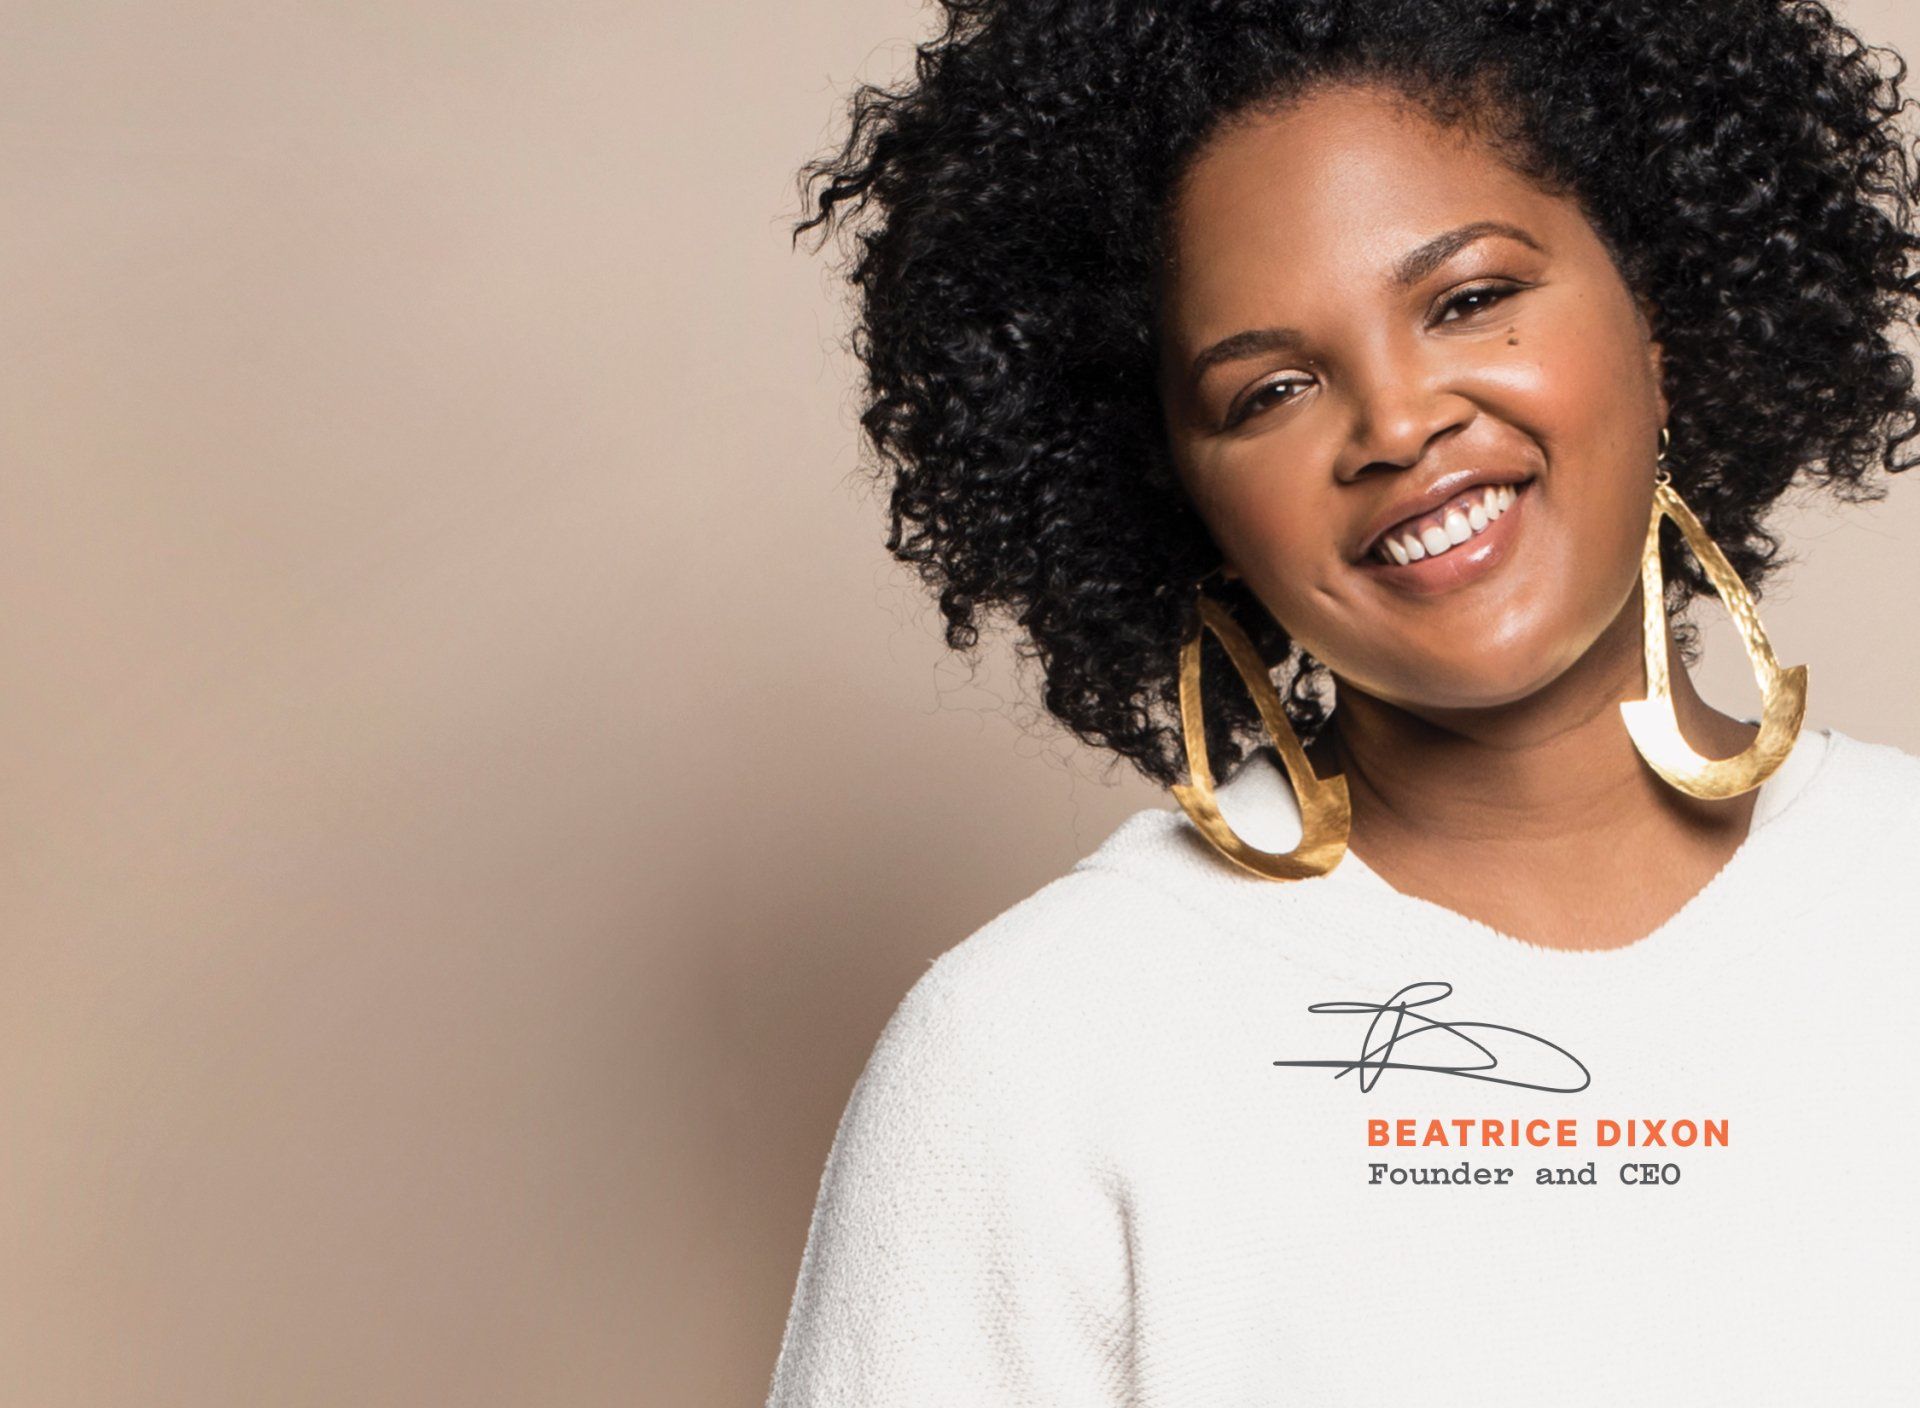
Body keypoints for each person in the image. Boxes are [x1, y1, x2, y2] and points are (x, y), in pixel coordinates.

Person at [768, 1, 1920, 1401]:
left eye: (1472, 299)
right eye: (1271, 391)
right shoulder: (1039, 1046)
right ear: (1179, 491)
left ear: (1659, 315)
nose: (1395, 424)